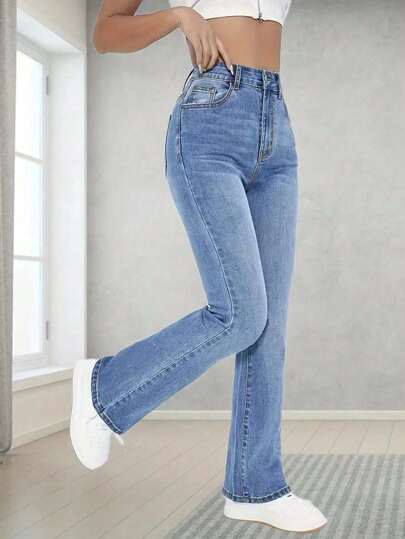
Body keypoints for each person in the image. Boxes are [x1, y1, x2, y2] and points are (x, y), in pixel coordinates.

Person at [70, 0, 328, 533]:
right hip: (210, 119)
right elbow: (106, 33)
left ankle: (255, 487)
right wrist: (179, 17)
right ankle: (105, 389)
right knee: (240, 313)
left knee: (268, 327)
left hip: (275, 126)